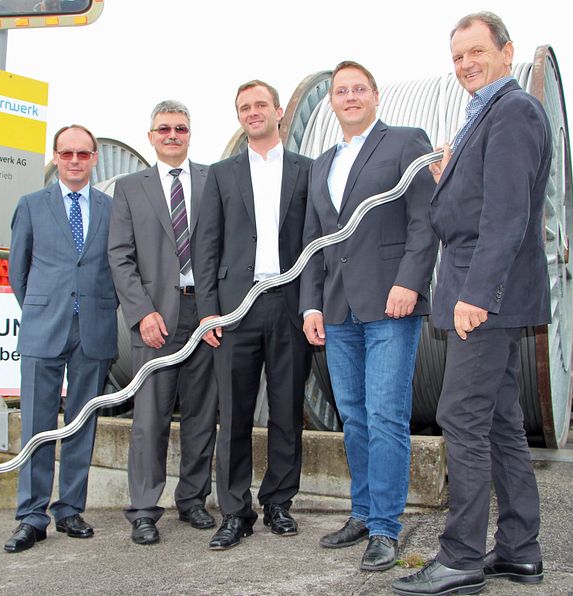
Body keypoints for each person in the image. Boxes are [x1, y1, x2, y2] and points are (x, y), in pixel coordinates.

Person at [392, 12, 552, 596]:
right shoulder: (484, 116)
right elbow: (469, 209)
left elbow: (506, 216)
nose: (466, 65)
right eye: (458, 57)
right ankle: (518, 550)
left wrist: (476, 296)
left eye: (477, 52)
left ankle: (460, 558)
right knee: (501, 423)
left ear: (507, 54)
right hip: (486, 292)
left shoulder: (512, 112)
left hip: (485, 297)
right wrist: (447, 176)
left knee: (461, 416)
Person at [300, 61, 437, 572]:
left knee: (385, 416)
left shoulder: (406, 142)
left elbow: (426, 219)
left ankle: (385, 526)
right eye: (341, 91)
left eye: (359, 89)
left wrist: (409, 281)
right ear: (331, 102)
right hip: (337, 310)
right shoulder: (321, 164)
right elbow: (314, 240)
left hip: (390, 305)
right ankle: (361, 512)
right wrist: (310, 303)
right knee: (353, 417)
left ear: (375, 96)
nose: (350, 97)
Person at [192, 80, 312, 550]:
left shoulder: (307, 170)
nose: (253, 112)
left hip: (289, 301)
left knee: (287, 410)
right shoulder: (222, 175)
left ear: (279, 111)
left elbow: (320, 240)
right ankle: (235, 512)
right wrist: (208, 314)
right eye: (245, 107)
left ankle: (279, 503)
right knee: (235, 413)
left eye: (261, 104)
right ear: (239, 116)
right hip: (235, 308)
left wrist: (311, 304)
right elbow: (206, 248)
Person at [107, 100, 217, 546]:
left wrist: (217, 310)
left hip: (205, 314)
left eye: (181, 128)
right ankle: (144, 509)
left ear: (190, 134)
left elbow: (224, 251)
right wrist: (141, 312)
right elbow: (120, 255)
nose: (173, 135)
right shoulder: (132, 188)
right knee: (150, 418)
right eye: (164, 128)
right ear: (150, 136)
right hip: (154, 317)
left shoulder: (214, 181)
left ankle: (192, 500)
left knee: (202, 414)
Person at [5, 124, 117, 553]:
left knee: (80, 422)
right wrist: (42, 309)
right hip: (43, 328)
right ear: (55, 157)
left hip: (94, 328)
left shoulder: (111, 208)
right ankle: (31, 517)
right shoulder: (31, 205)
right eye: (66, 153)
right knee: (36, 424)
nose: (74, 160)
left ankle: (69, 509)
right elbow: (19, 272)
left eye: (83, 154)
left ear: (93, 159)